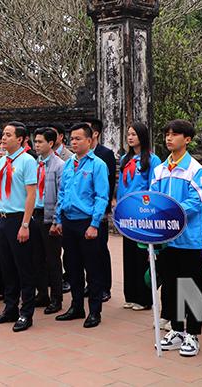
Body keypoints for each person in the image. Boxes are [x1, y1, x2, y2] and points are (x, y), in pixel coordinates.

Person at [152, 119, 202, 357]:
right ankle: (176, 330)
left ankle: (193, 335)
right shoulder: (159, 169)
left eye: (174, 135)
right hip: (168, 240)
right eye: (167, 134)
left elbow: (196, 203)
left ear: (187, 139)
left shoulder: (196, 170)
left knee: (191, 287)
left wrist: (169, 212)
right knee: (172, 287)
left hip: (189, 240)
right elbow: (153, 198)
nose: (169, 138)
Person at [52, 122, 109, 328]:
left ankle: (95, 311)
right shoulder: (68, 165)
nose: (73, 142)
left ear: (89, 140)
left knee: (92, 268)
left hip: (88, 223)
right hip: (69, 222)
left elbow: (102, 197)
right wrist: (58, 219)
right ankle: (76, 306)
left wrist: (94, 224)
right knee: (72, 266)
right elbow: (63, 192)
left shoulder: (98, 165)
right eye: (72, 139)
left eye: (78, 139)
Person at [0, 121, 39, 332]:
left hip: (20, 218)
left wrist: (25, 224)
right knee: (7, 267)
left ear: (20, 139)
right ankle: (10, 308)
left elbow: (31, 194)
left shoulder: (27, 161)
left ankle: (26, 313)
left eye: (8, 135)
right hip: (4, 219)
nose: (3, 138)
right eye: (3, 134)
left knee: (23, 268)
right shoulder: (2, 161)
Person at [116, 123, 162, 311]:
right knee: (128, 254)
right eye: (128, 134)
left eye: (134, 134)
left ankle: (145, 298)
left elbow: (154, 185)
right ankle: (131, 294)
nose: (130, 137)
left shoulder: (152, 159)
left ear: (142, 136)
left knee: (142, 254)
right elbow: (121, 185)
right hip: (126, 212)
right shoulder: (126, 159)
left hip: (142, 212)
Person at [33, 127, 66, 314]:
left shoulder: (59, 165)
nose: (36, 145)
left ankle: (56, 298)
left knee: (53, 259)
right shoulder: (34, 163)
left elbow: (61, 194)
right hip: (35, 214)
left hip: (50, 217)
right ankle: (42, 293)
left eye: (40, 142)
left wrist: (57, 220)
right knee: (36, 258)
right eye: (35, 142)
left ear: (51, 143)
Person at [89, 118, 116, 301]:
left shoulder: (105, 154)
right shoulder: (80, 156)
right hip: (84, 209)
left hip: (100, 209)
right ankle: (91, 284)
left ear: (95, 133)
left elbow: (110, 182)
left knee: (100, 249)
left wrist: (105, 208)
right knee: (87, 251)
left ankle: (105, 286)